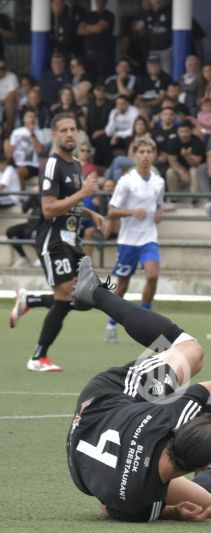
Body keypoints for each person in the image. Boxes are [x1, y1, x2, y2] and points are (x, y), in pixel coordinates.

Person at [66, 256, 211, 522]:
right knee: (207, 505)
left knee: (189, 350)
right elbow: (108, 507)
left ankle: (98, 295)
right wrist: (175, 512)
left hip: (98, 407)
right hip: (86, 456)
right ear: (202, 465)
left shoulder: (168, 418)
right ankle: (95, 293)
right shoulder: (142, 502)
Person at [7, 114, 104, 371]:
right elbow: (49, 209)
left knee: (85, 299)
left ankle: (30, 301)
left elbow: (70, 203)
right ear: (54, 135)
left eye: (73, 129)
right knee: (66, 296)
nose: (70, 134)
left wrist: (90, 213)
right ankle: (38, 357)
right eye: (64, 130)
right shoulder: (52, 165)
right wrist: (83, 193)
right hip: (53, 240)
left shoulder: (75, 165)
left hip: (71, 240)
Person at [104, 136, 164, 343]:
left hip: (148, 238)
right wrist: (131, 212)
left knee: (153, 275)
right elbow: (111, 211)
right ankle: (111, 323)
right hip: (128, 241)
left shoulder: (158, 181)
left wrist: (159, 214)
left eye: (149, 152)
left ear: (154, 155)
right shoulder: (126, 181)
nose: (145, 155)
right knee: (122, 285)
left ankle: (146, 318)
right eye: (141, 152)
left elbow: (158, 206)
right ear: (134, 155)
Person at [5, 108, 46, 185]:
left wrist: (32, 134)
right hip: (16, 163)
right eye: (30, 116)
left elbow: (40, 151)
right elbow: (9, 154)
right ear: (24, 118)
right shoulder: (16, 132)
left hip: (33, 165)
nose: (32, 119)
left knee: (18, 172)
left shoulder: (40, 133)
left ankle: (21, 192)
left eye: (34, 117)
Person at [166, 121, 205, 198]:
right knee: (169, 172)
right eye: (181, 131)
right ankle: (174, 198)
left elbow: (196, 164)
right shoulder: (173, 141)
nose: (184, 134)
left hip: (194, 167)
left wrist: (187, 156)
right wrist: (181, 173)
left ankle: (195, 198)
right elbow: (172, 162)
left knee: (194, 171)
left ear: (190, 131)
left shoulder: (197, 141)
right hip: (180, 167)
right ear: (178, 132)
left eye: (186, 131)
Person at [78, 0, 115, 79]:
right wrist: (94, 28)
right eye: (98, 1)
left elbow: (99, 28)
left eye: (101, 1)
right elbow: (80, 30)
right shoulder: (89, 15)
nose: (99, 3)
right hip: (89, 52)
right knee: (89, 75)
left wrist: (87, 27)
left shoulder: (108, 15)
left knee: (101, 77)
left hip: (102, 53)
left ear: (105, 2)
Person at [143, 0, 172, 75]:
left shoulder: (169, 12)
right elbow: (143, 31)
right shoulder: (147, 14)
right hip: (152, 50)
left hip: (166, 49)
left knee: (166, 71)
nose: (156, 1)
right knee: (152, 72)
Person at [0, 57, 18, 133]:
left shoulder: (12, 77)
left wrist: (2, 102)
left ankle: (10, 133)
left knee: (9, 104)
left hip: (7, 103)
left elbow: (12, 93)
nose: (0, 70)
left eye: (2, 68)